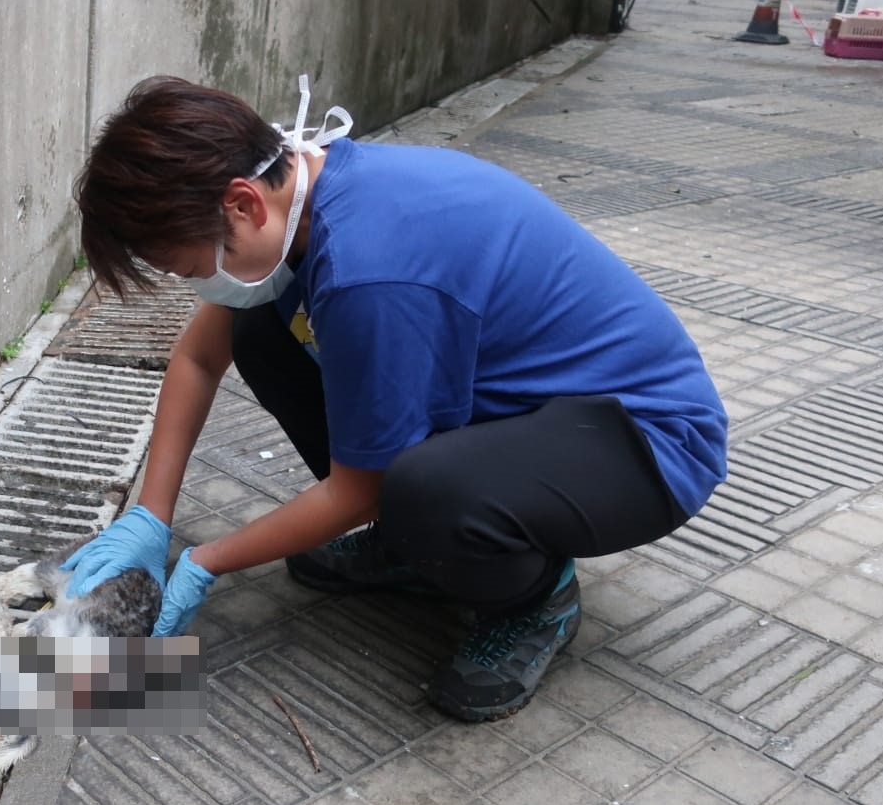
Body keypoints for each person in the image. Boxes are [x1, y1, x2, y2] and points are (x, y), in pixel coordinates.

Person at [59, 75, 728, 722]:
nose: (200, 285)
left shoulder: (368, 268)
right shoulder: (305, 193)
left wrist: (205, 564)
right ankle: (420, 548)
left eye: (193, 268)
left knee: (421, 488)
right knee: (261, 327)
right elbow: (201, 355)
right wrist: (150, 518)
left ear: (242, 203)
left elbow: (363, 488)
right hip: (531, 411)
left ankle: (533, 598)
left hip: (644, 443)